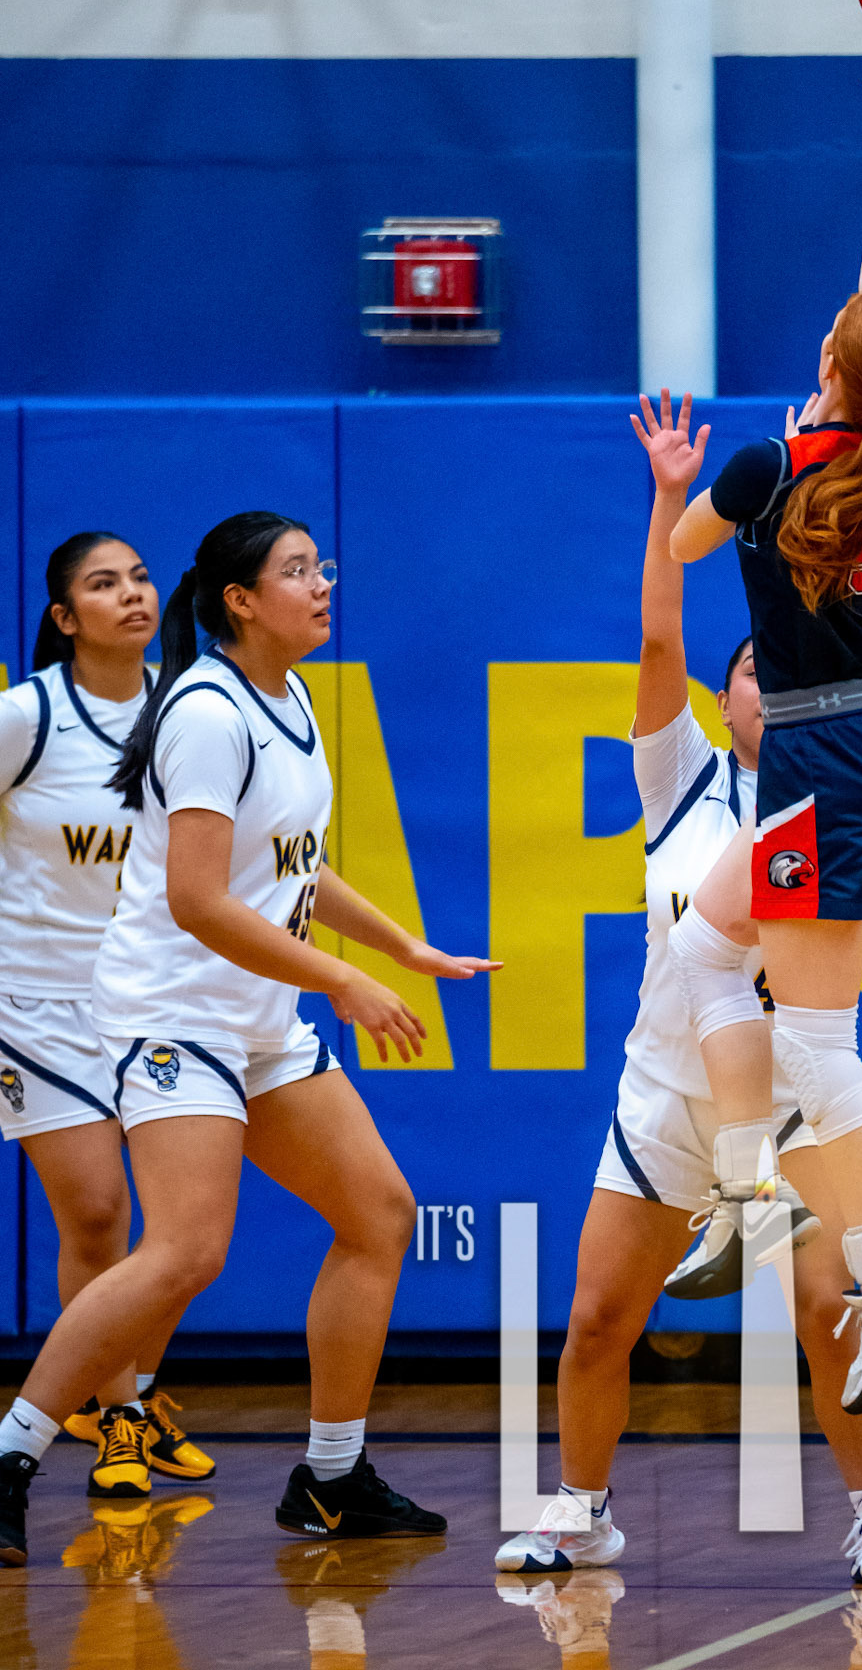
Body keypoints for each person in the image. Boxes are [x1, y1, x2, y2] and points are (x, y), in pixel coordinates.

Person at [0, 511, 496, 1566]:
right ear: (241, 600)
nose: (322, 584)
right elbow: (196, 899)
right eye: (299, 570)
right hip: (175, 1013)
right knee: (185, 1249)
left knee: (378, 1212)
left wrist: (401, 945)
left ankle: (329, 1477)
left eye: (322, 566)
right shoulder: (206, 711)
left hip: (260, 1020)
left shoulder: (290, 696)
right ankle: (11, 1454)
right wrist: (342, 979)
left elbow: (291, 862)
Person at [495, 391, 862, 1584]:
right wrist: (671, 498)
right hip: (667, 1096)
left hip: (787, 1106)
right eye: (740, 671)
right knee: (596, 1318)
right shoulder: (679, 777)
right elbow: (657, 640)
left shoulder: (833, 799)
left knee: (829, 1315)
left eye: (768, 664)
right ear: (723, 700)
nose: (755, 681)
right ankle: (580, 1509)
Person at [663, 47, 862, 1416]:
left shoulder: (763, 462)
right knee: (704, 944)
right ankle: (747, 1194)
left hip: (819, 758)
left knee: (817, 1043)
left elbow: (683, 547)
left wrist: (708, 480)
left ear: (831, 358)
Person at [0, 532, 214, 1500]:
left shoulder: (189, 705)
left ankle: (131, 1392)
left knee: (181, 1236)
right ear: (64, 617)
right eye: (102, 584)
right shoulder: (28, 715)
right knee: (95, 1211)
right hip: (39, 1003)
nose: (131, 594)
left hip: (155, 995)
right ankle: (114, 1417)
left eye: (138, 577)